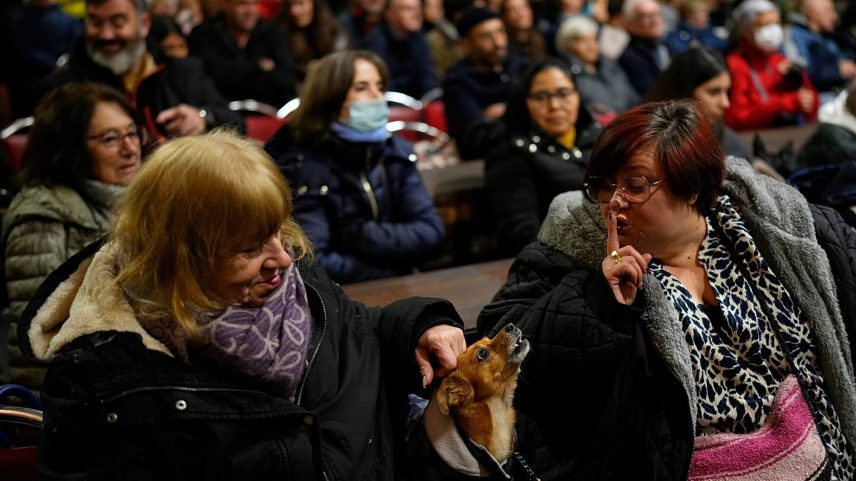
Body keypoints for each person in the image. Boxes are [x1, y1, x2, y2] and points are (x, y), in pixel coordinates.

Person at [18, 128, 467, 479]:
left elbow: (357, 331)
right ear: (180, 256)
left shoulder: (296, 280)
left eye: (276, 229)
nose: (282, 257)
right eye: (248, 248)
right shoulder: (102, 382)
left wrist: (418, 327)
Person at [477, 100, 856, 480]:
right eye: (603, 185)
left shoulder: (775, 225)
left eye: (635, 185)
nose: (614, 202)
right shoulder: (575, 242)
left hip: (825, 451)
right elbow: (502, 347)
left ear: (691, 187)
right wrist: (596, 302)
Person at [2, 83, 143, 389]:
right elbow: (39, 341)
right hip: (69, 399)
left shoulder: (138, 202)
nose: (130, 148)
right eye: (109, 139)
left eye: (132, 132)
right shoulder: (40, 215)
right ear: (69, 148)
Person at [265, 50, 445, 284]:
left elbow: (431, 231)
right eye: (361, 88)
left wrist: (360, 234)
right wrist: (391, 269)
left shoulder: (394, 151)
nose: (377, 96)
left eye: (379, 86)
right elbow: (313, 261)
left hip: (398, 284)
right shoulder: (304, 163)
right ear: (331, 98)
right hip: (343, 297)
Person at [33, 0, 242, 141]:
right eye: (95, 22)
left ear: (144, 23)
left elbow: (238, 124)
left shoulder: (184, 72)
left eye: (118, 22)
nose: (106, 35)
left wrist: (203, 117)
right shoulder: (63, 88)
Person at [484, 58, 601, 255]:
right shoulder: (511, 154)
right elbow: (522, 235)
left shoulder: (601, 138)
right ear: (526, 101)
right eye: (541, 96)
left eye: (563, 94)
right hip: (559, 265)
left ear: (577, 96)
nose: (554, 105)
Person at [442, 6, 528, 157]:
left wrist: (502, 112)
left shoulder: (521, 67)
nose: (498, 43)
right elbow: (477, 135)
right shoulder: (457, 82)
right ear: (466, 44)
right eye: (486, 36)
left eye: (500, 32)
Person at [725, 0, 819, 131]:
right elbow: (737, 119)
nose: (773, 30)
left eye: (776, 23)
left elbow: (811, 108)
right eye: (764, 25)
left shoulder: (781, 60)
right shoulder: (736, 64)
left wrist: (797, 81)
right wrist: (784, 103)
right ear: (745, 30)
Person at [645, 46, 751, 160]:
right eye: (714, 92)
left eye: (727, 91)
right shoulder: (645, 142)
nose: (726, 103)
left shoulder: (729, 143)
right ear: (684, 93)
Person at [187, 0, 298, 108]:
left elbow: (287, 77)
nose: (251, 11)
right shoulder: (203, 34)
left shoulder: (273, 31)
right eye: (242, 3)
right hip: (221, 116)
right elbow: (210, 75)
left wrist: (234, 71)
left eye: (254, 3)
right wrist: (259, 65)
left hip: (273, 113)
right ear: (223, 4)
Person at [555, 14, 638, 117]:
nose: (590, 46)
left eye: (593, 39)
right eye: (582, 40)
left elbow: (632, 96)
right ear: (567, 45)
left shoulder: (610, 65)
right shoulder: (566, 74)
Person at [784, 0, 856, 102]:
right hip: (817, 101)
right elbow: (799, 73)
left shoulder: (827, 36)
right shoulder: (794, 36)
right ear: (813, 13)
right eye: (829, 11)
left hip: (840, 94)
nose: (834, 16)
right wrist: (836, 71)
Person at [365, 0, 438, 98]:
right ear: (389, 14)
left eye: (418, 8)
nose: (416, 13)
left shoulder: (419, 37)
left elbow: (427, 78)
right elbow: (383, 85)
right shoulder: (376, 42)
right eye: (408, 9)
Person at [278, 0, 349, 82]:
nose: (294, 11)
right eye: (289, 6)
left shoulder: (337, 36)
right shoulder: (282, 35)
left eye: (300, 3)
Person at [618, 0, 670, 97]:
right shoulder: (630, 57)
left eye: (657, 14)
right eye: (646, 16)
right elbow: (651, 95)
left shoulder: (664, 45)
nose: (655, 20)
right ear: (630, 23)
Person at [663, 0, 728, 56]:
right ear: (691, 16)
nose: (707, 18)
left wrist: (702, 46)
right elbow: (677, 50)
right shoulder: (677, 33)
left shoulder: (707, 29)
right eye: (704, 14)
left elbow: (723, 44)